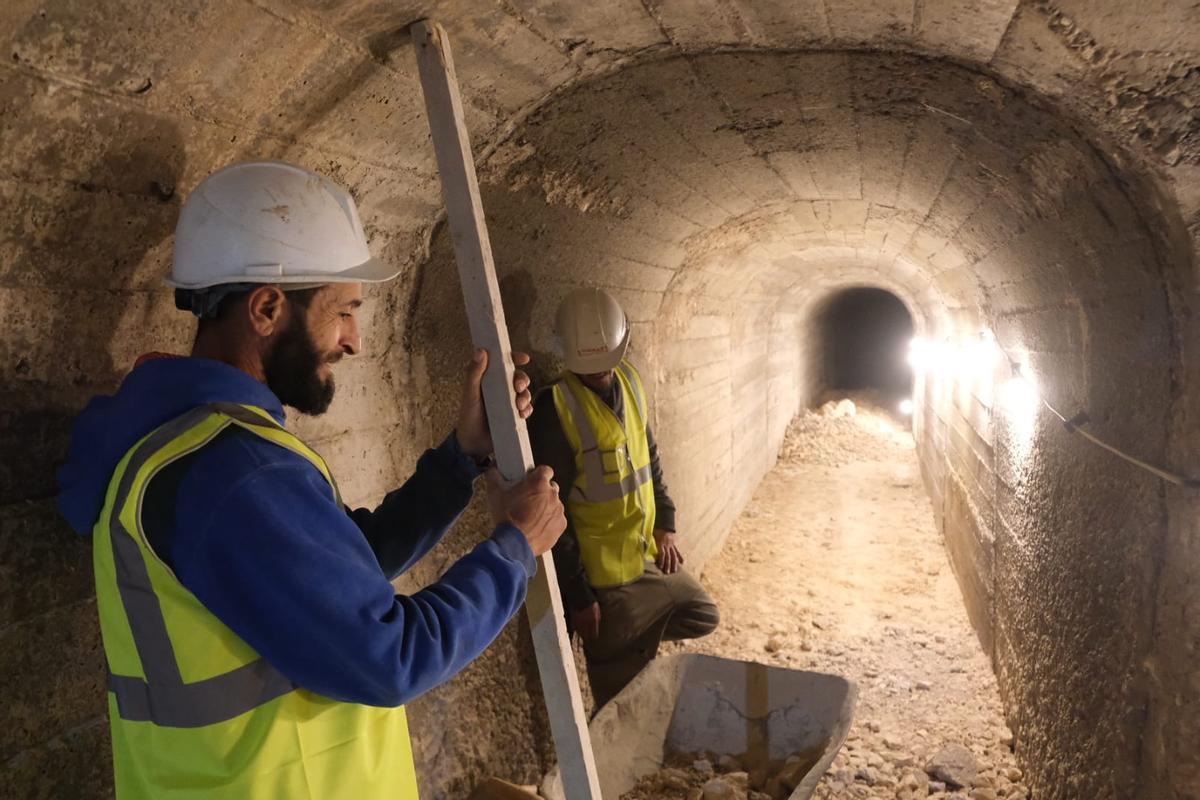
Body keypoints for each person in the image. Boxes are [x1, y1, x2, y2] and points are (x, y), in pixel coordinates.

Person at [56, 160, 566, 799]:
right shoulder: (233, 473)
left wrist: (461, 456)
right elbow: (392, 659)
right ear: (268, 308)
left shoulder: (194, 445)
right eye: (344, 310)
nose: (353, 340)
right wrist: (514, 551)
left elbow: (344, 567)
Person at [527, 287, 719, 708]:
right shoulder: (554, 411)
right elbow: (550, 513)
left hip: (644, 556)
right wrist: (579, 597)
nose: (600, 373)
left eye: (605, 363)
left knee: (704, 614)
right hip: (604, 581)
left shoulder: (630, 381)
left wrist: (665, 523)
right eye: (589, 367)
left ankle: (631, 644)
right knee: (619, 707)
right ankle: (616, 662)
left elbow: (648, 456)